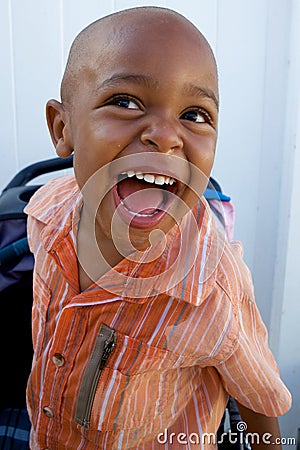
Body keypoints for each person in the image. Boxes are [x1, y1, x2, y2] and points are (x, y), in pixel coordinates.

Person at [24, 6, 291, 449]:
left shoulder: (212, 285)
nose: (166, 137)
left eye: (195, 114)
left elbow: (258, 398)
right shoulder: (46, 214)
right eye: (125, 102)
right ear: (62, 127)